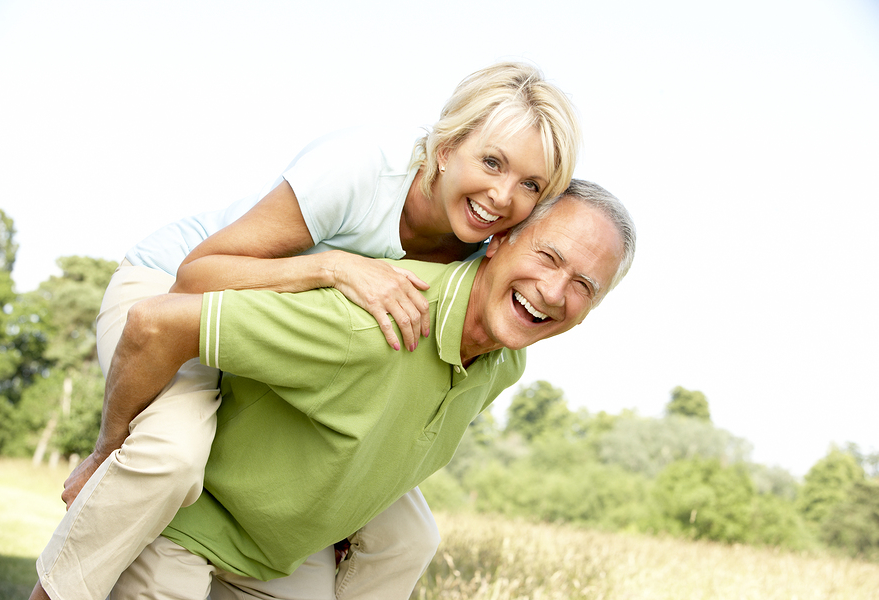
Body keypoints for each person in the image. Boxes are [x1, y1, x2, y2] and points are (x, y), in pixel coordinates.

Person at [31, 62, 581, 600]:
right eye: (491, 162)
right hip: (176, 287)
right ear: (445, 147)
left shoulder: (488, 250)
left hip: (265, 334)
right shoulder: (361, 168)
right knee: (171, 457)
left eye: (530, 185)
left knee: (407, 538)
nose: (503, 196)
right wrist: (332, 266)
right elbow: (196, 277)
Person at [102, 180, 637, 598]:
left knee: (410, 537)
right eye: (549, 257)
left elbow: (384, 435)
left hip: (269, 543)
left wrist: (344, 510)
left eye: (584, 286)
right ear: (499, 240)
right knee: (167, 455)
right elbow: (160, 320)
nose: (553, 291)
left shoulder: (504, 357)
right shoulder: (375, 300)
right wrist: (109, 449)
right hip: (170, 272)